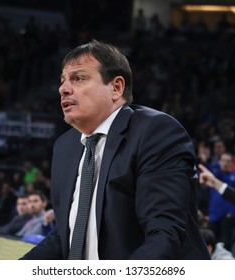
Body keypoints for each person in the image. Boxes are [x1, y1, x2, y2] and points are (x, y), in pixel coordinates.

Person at [20, 40, 210, 260]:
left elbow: (164, 236)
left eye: (78, 78)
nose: (63, 88)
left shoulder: (155, 132)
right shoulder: (65, 146)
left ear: (116, 87)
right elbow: (66, 236)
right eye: (62, 81)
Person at [207, 152, 235, 250]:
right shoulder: (214, 175)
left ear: (232, 163)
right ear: (219, 162)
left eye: (228, 161)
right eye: (223, 160)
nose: (225, 163)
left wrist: (233, 212)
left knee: (225, 244)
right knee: (211, 243)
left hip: (227, 215)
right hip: (213, 214)